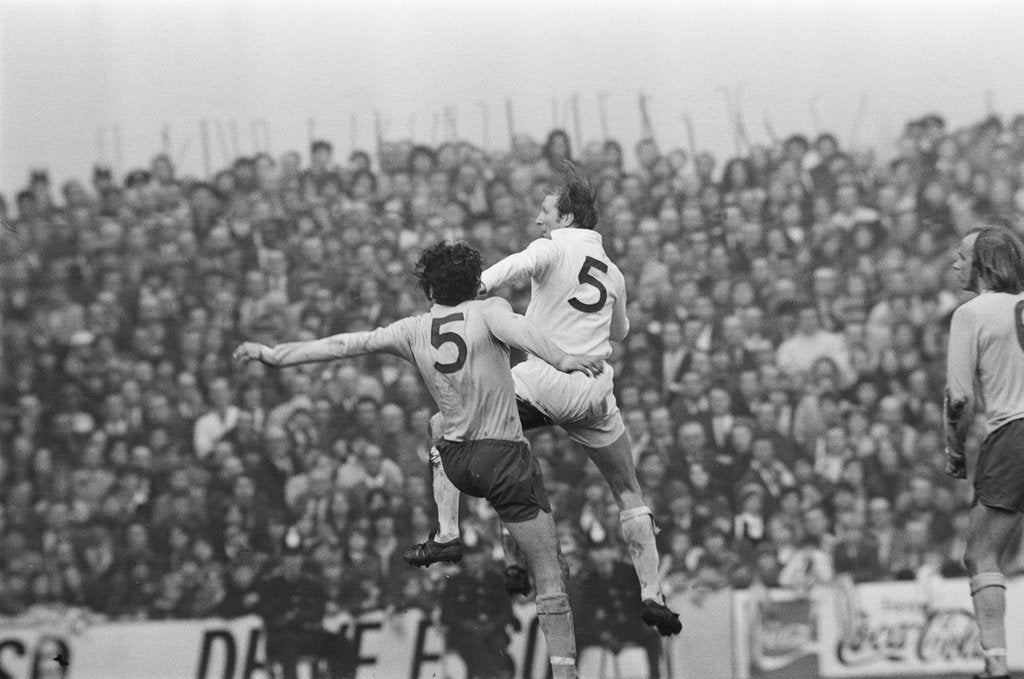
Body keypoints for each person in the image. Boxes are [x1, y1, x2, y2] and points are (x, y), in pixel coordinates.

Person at [234, 240, 596, 679]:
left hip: (460, 462)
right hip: (503, 459)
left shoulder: (413, 329)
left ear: (429, 290)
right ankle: (565, 673)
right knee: (551, 575)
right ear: (475, 284)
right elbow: (525, 335)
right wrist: (565, 358)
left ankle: (448, 530)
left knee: (438, 422)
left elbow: (346, 344)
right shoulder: (491, 310)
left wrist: (274, 355)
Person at [406, 160, 682, 636]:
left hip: (544, 378)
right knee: (629, 491)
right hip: (594, 389)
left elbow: (509, 269)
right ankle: (652, 593)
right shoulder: (613, 272)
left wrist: (468, 290)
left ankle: (451, 534)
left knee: (450, 428)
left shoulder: (549, 248)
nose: (539, 219)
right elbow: (621, 332)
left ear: (567, 218)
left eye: (545, 210)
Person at [944, 225, 1024, 679]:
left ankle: (995, 664)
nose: (955, 264)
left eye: (962, 257)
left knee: (981, 553)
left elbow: (960, 398)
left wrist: (955, 451)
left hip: (1013, 434)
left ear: (984, 263)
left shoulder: (971, 313)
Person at [255, 530, 354, 679]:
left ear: (302, 559)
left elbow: (320, 609)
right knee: (288, 644)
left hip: (307, 635)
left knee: (340, 641)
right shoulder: (271, 586)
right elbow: (270, 617)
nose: (293, 561)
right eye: (289, 556)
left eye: (296, 556)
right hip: (281, 638)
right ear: (282, 559)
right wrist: (291, 617)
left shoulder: (312, 584)